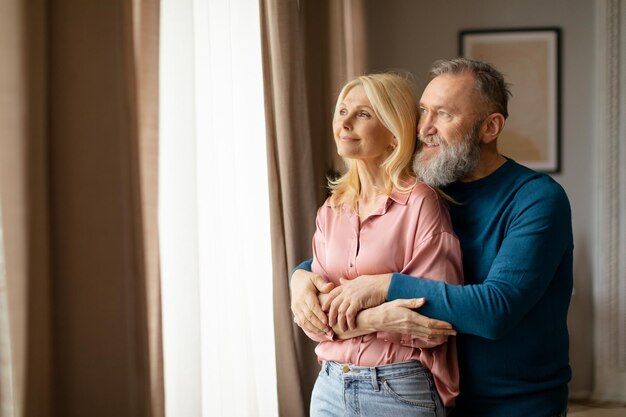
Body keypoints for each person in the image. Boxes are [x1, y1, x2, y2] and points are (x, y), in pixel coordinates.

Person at [291, 58, 573, 417]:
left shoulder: (536, 199)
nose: (423, 127)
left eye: (444, 115)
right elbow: (360, 252)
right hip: (427, 393)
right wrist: (299, 277)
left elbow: (496, 310)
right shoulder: (429, 187)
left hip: (514, 404)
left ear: (490, 127)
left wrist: (385, 286)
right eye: (423, 111)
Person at [300, 73, 463, 417]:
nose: (344, 122)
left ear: (394, 134)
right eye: (342, 111)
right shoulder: (331, 209)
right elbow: (313, 319)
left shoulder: (422, 203)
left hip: (398, 389)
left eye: (362, 114)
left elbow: (435, 322)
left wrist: (345, 320)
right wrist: (378, 318)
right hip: (330, 386)